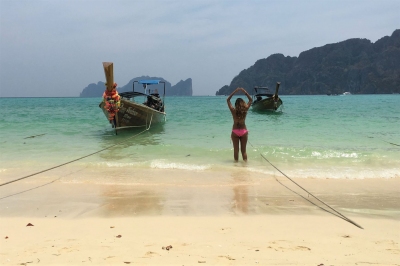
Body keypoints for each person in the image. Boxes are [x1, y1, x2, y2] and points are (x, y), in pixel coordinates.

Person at [227, 87, 253, 162]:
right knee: (243, 151)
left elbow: (228, 100)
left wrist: (235, 91)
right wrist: (244, 91)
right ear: (243, 104)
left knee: (236, 150)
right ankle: (245, 165)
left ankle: (236, 166)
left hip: (235, 131)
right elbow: (251, 100)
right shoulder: (245, 110)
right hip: (244, 131)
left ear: (235, 104)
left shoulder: (233, 111)